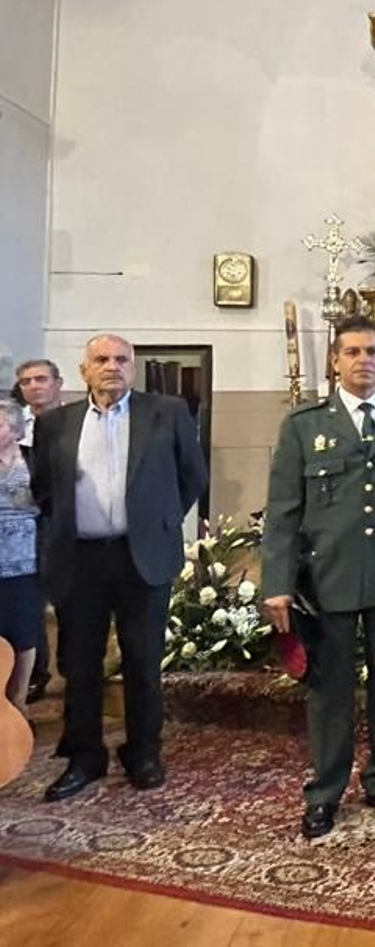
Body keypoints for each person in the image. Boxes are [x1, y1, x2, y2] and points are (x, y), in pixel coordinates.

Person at [262, 314, 375, 840]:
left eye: (372, 351)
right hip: (328, 577)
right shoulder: (304, 425)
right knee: (330, 691)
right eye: (353, 352)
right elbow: (283, 511)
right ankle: (326, 790)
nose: (364, 360)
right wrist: (278, 583)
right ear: (335, 361)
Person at [30, 335, 207, 801]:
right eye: (102, 359)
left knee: (143, 661)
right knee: (80, 664)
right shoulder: (55, 423)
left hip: (140, 556)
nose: (112, 366)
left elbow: (193, 476)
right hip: (80, 559)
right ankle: (84, 757)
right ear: (84, 370)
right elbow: (44, 489)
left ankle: (143, 752)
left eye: (121, 359)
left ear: (133, 367)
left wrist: (159, 521)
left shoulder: (166, 413)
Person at [15, 358, 63, 702]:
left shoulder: (75, 421)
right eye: (27, 381)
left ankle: (77, 670)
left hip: (65, 520)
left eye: (41, 379)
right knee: (30, 600)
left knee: (70, 599)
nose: (34, 386)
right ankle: (35, 674)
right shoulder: (13, 425)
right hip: (24, 522)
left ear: (57, 383)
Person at [0, 400, 41, 707]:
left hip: (27, 562)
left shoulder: (34, 460)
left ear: (15, 430)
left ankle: (19, 700)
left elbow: (52, 499)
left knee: (24, 632)